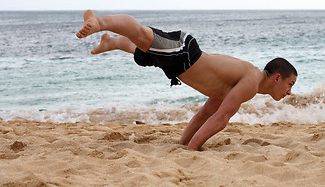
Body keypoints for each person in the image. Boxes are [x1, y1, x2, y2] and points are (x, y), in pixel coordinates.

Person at [76, 10, 298, 151]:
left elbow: (205, 113)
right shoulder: (250, 82)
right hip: (185, 54)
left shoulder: (244, 81)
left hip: (180, 65)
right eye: (290, 84)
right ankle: (99, 21)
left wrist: (184, 144)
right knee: (142, 35)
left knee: (143, 51)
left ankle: (111, 42)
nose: (289, 92)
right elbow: (221, 118)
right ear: (277, 77)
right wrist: (193, 149)